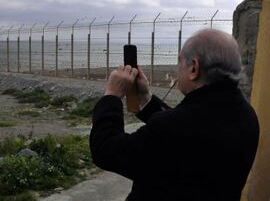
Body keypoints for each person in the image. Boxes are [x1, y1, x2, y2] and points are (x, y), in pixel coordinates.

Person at [89, 29, 259, 201]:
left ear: (194, 68)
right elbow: (191, 129)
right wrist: (145, 99)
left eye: (179, 62)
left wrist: (112, 95)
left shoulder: (173, 127)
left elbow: (105, 150)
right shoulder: (247, 116)